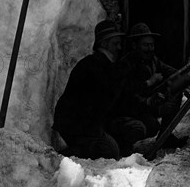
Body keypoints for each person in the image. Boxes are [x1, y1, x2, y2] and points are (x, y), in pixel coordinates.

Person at [53, 21, 146, 160]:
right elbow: (96, 102)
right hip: (77, 124)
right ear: (104, 44)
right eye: (115, 44)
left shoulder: (107, 64)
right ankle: (67, 154)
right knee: (110, 150)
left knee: (136, 128)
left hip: (93, 121)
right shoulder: (93, 65)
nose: (119, 48)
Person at [116, 23, 188, 149]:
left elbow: (170, 71)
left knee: (176, 89)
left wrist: (184, 74)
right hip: (132, 109)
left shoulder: (153, 60)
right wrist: (149, 83)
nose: (150, 49)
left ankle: (165, 136)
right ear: (134, 45)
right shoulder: (127, 64)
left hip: (148, 104)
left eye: (152, 45)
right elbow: (126, 90)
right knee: (149, 126)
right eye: (145, 45)